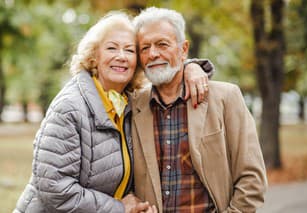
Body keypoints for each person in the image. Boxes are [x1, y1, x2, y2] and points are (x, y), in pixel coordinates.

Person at [14, 11, 213, 213]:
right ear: (94, 55)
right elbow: (54, 188)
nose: (121, 57)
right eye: (111, 48)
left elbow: (166, 65)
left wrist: (191, 67)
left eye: (130, 50)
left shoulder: (131, 103)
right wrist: (118, 208)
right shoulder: (70, 107)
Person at [131, 7, 268, 213]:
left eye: (162, 44)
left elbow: (252, 178)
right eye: (144, 48)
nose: (153, 54)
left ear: (183, 49)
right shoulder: (132, 106)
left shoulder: (225, 98)